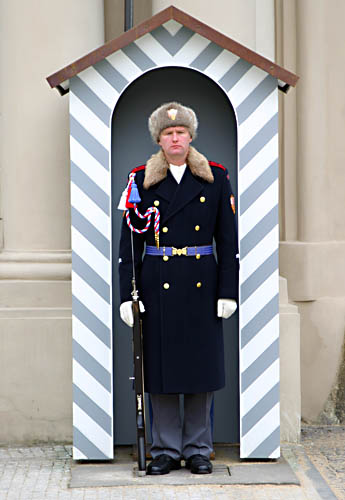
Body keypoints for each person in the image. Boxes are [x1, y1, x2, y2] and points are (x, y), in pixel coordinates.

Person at [118, 102, 238, 475]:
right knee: (162, 371)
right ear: (159, 139)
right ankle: (166, 450)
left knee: (200, 371)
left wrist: (227, 291)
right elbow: (130, 244)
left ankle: (199, 448)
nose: (175, 138)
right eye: (168, 133)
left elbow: (227, 238)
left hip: (202, 286)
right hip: (157, 286)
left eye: (181, 132)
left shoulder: (215, 178)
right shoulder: (140, 180)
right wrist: (127, 295)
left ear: (190, 137)